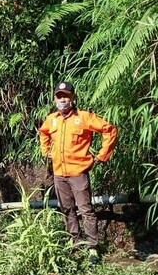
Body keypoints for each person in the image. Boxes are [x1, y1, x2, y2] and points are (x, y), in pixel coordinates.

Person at [38, 81, 117, 263]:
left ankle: (93, 248)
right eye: (59, 96)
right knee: (66, 209)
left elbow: (109, 130)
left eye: (65, 96)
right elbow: (43, 133)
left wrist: (101, 155)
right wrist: (46, 151)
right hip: (59, 173)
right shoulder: (52, 119)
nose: (62, 99)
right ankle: (74, 243)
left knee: (86, 210)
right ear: (55, 98)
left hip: (79, 173)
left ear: (72, 98)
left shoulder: (84, 117)